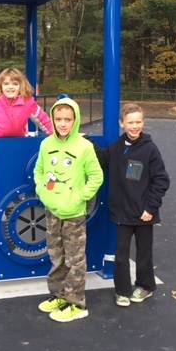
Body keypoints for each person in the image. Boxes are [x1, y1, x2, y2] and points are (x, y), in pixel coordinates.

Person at [34, 96, 103, 322]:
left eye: (68, 119)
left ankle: (76, 304)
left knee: (75, 259)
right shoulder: (46, 144)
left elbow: (96, 176)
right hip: (52, 210)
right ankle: (59, 295)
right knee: (56, 255)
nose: (63, 123)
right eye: (59, 119)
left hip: (74, 214)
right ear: (52, 119)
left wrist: (79, 198)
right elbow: (40, 172)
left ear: (76, 121)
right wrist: (44, 193)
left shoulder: (84, 147)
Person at [95, 103, 170, 307]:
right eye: (130, 123)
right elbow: (102, 159)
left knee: (144, 253)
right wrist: (85, 143)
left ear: (143, 123)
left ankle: (145, 286)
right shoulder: (117, 148)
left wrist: (151, 208)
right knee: (121, 255)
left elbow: (161, 181)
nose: (134, 126)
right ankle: (122, 291)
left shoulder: (150, 149)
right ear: (122, 124)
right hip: (123, 213)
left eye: (138, 122)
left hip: (144, 213)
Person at [0, 67, 53, 154]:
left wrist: (56, 134)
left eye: (15, 84)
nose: (10, 87)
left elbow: (43, 119)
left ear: (21, 86)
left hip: (18, 143)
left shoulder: (27, 102)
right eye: (6, 84)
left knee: (18, 163)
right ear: (0, 86)